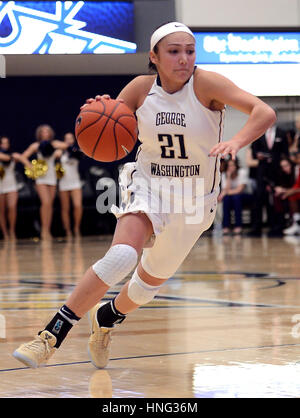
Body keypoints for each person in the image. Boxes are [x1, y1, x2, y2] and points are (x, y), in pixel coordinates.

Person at [12, 22, 276, 369]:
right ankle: (49, 336)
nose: (184, 59)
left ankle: (106, 318)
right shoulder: (140, 88)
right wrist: (98, 112)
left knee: (145, 287)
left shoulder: (206, 83)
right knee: (121, 256)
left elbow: (264, 112)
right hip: (149, 186)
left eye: (190, 51)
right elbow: (110, 121)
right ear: (154, 57)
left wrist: (236, 142)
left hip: (195, 202)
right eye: (174, 51)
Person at [21, 125, 68, 240]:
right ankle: (44, 230)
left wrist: (57, 150)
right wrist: (31, 167)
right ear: (40, 133)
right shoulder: (36, 145)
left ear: (50, 133)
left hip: (51, 176)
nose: (45, 133)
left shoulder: (54, 143)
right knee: (45, 202)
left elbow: (65, 146)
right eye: (43, 131)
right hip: (41, 177)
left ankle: (48, 230)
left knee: (50, 204)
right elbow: (23, 157)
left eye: (47, 131)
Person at [248, 120, 289, 236]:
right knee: (259, 198)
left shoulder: (281, 132)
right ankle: (256, 228)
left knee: (275, 200)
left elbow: (285, 151)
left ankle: (276, 227)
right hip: (262, 170)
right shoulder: (259, 132)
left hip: (276, 172)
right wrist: (258, 155)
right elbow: (254, 151)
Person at [0, 136, 30, 240]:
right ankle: (5, 234)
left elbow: (23, 160)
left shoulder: (13, 155)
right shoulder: (5, 156)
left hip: (11, 185)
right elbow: (6, 158)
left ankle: (12, 231)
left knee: (12, 208)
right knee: (1, 210)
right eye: (2, 143)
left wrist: (30, 167)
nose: (4, 145)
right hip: (0, 186)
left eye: (6, 143)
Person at [57, 132, 83, 238]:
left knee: (77, 205)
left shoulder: (77, 149)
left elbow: (83, 154)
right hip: (64, 182)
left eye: (70, 138)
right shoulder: (60, 152)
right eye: (66, 138)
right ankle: (67, 230)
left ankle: (76, 228)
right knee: (65, 208)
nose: (68, 140)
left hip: (75, 182)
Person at [218, 157, 248, 235]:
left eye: (233, 165)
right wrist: (228, 177)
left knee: (236, 197)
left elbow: (239, 190)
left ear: (236, 165)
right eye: (229, 166)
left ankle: (238, 226)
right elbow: (225, 189)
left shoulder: (242, 172)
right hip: (231, 197)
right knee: (226, 198)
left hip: (245, 196)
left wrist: (225, 193)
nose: (231, 167)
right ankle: (226, 226)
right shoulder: (225, 174)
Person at [275, 154, 300, 235]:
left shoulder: (296, 169)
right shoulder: (296, 169)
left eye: (286, 165)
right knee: (279, 196)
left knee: (291, 195)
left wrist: (287, 191)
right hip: (295, 193)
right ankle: (295, 223)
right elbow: (296, 186)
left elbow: (296, 187)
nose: (284, 168)